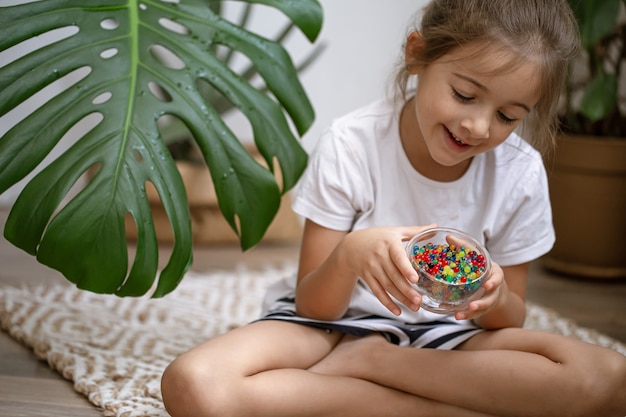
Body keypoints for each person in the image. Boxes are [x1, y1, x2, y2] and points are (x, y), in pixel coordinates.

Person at [161, 0, 626, 416]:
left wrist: (496, 297)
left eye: (508, 116)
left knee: (610, 379)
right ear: (417, 54)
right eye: (465, 95)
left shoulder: (519, 172)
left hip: (448, 338)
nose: (478, 126)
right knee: (194, 385)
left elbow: (508, 318)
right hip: (331, 327)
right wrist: (350, 255)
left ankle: (378, 364)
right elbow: (313, 302)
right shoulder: (353, 144)